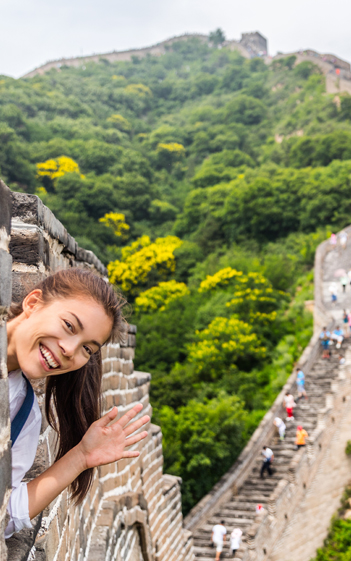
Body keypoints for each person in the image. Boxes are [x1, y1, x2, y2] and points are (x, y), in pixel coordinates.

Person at [5, 269, 150, 538]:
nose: (70, 351)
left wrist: (81, 457)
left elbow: (5, 515)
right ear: (33, 303)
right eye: (69, 326)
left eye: (87, 349)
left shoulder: (23, 416)